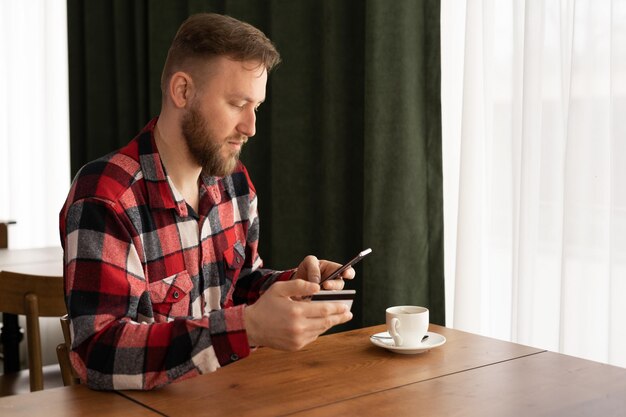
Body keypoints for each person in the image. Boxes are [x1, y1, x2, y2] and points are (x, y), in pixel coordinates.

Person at [59, 13, 354, 391]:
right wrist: (247, 328)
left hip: (225, 399)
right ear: (182, 91)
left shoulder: (235, 184)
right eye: (237, 103)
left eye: (256, 107)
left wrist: (291, 286)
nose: (251, 127)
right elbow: (99, 353)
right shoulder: (105, 195)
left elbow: (238, 284)